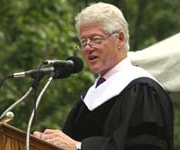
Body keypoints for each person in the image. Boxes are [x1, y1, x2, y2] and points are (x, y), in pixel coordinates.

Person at [33, 2, 173, 150]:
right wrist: (47, 143)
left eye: (96, 39)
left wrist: (79, 146)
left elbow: (145, 146)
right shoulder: (89, 97)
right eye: (83, 41)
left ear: (119, 39)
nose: (87, 47)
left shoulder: (143, 90)